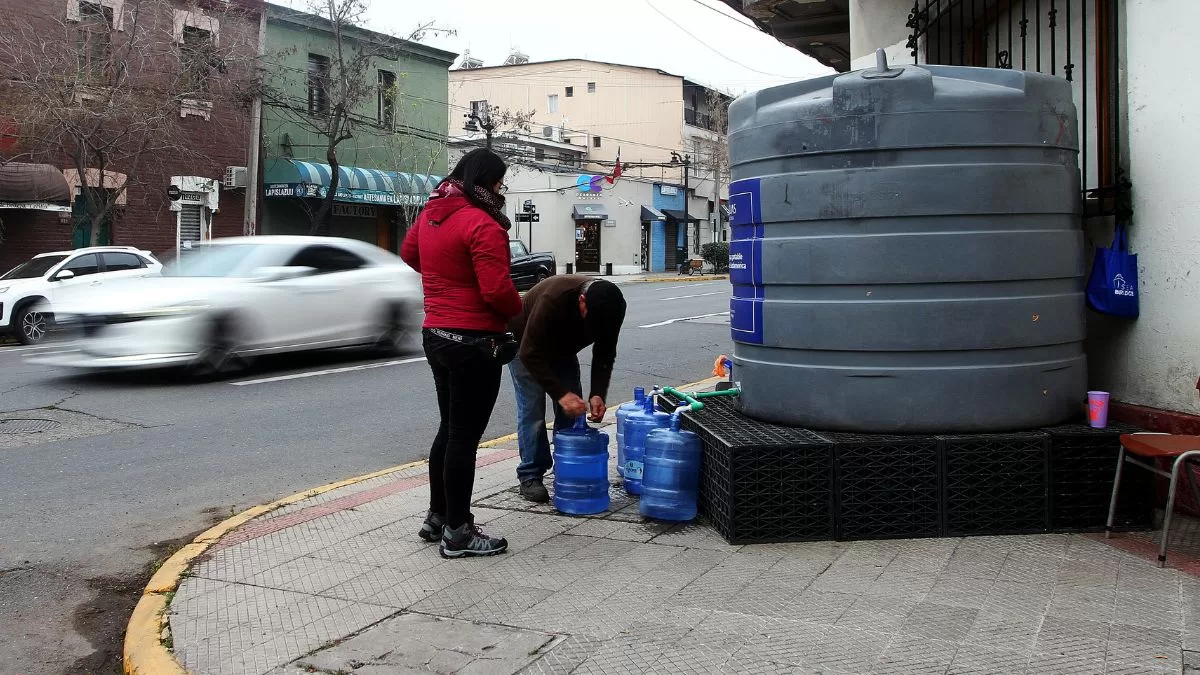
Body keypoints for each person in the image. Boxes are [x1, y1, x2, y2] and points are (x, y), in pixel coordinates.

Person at [400, 148, 522, 558]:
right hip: (474, 342)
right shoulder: (483, 223)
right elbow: (496, 292)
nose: (501, 190)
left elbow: (409, 254)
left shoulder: (433, 212)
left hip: (436, 334)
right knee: (463, 437)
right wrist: (518, 309)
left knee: (450, 429)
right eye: (500, 182)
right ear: (486, 182)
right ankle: (458, 532)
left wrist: (444, 280)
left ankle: (438, 516)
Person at [509, 275, 627, 502]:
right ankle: (530, 474)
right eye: (590, 320)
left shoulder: (612, 306)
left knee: (573, 409)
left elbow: (605, 351)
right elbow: (529, 354)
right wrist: (561, 394)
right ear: (581, 300)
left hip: (563, 348)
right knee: (532, 409)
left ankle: (566, 463)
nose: (592, 328)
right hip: (525, 343)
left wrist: (598, 393)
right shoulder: (554, 298)